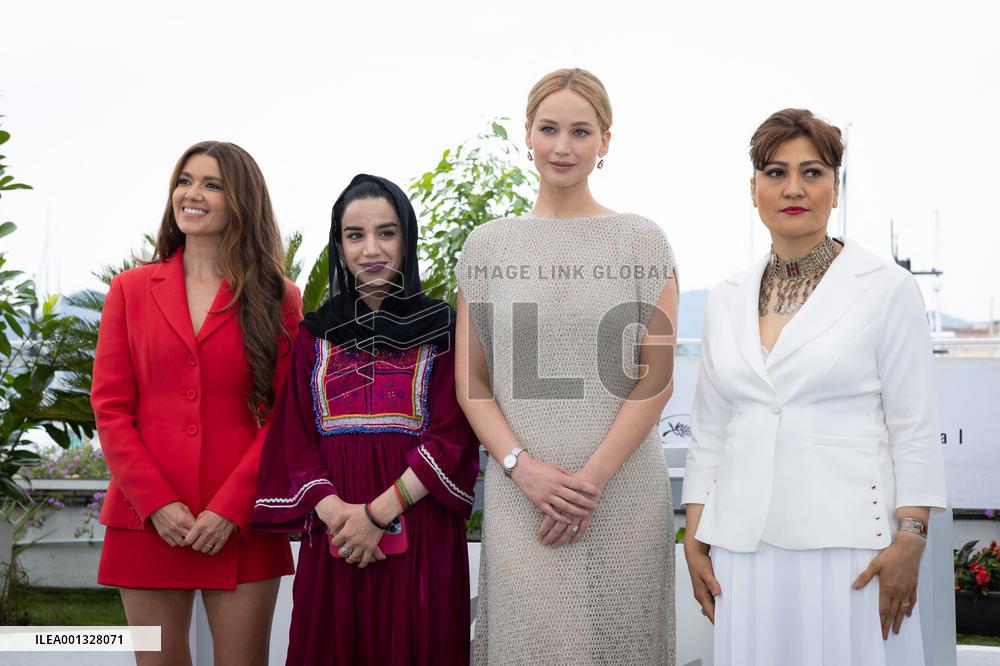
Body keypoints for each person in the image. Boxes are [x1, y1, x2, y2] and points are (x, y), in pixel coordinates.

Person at [682, 108, 948, 666]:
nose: (794, 188)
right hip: (744, 546)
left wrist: (911, 538)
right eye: (776, 173)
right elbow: (710, 428)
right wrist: (696, 535)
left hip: (853, 544)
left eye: (813, 172)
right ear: (753, 189)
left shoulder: (886, 288)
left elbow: (914, 426)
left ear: (835, 187)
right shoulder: (727, 296)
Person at [456, 67, 679, 665]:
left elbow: (654, 379)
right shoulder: (486, 247)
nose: (563, 146)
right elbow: (472, 382)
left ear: (606, 140)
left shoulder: (643, 242)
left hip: (622, 493)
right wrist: (520, 468)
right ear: (526, 134)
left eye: (581, 131)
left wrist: (590, 484)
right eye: (549, 129)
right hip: (521, 495)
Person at [251, 174, 479, 665]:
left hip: (419, 534)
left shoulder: (444, 331)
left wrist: (376, 515)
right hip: (335, 537)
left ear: (407, 239)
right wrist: (343, 520)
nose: (370, 249)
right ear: (339, 245)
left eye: (386, 232)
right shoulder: (315, 334)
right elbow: (294, 437)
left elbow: (452, 438)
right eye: (355, 235)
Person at [91, 141, 302, 666]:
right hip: (145, 520)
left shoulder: (278, 296)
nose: (193, 194)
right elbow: (111, 408)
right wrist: (156, 504)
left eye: (212, 184)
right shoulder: (129, 290)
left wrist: (232, 509)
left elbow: (283, 416)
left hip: (241, 522)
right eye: (186, 181)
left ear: (241, 201)